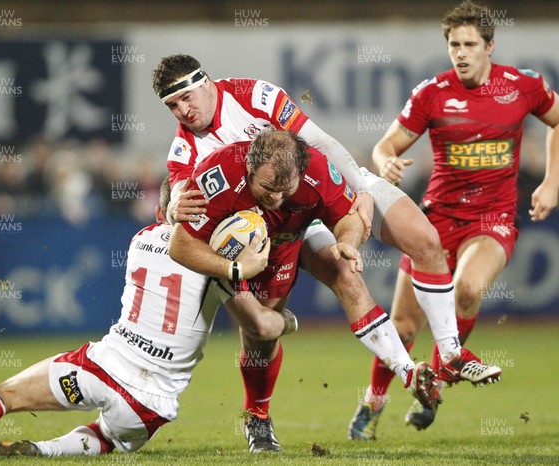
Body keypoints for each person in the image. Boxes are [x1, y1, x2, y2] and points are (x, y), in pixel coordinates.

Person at [153, 54, 500, 448]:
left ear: (206, 81)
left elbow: (319, 141)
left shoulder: (256, 97)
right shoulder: (187, 154)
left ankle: (444, 356)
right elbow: (176, 206)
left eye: (186, 97)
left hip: (311, 199)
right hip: (261, 237)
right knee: (261, 332)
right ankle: (258, 415)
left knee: (413, 244)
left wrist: (362, 195)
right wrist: (172, 208)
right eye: (172, 106)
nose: (183, 111)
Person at [0, 180, 297, 458]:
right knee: (107, 437)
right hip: (147, 406)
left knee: (5, 396)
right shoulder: (219, 265)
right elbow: (261, 327)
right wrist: (285, 318)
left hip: (100, 370)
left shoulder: (141, 239)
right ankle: (39, 450)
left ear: (159, 212)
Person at [352, 0, 559, 440]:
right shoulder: (432, 93)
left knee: (467, 289)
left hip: (493, 218)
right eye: (453, 45)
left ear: (489, 46)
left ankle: (437, 389)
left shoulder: (522, 86)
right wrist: (386, 161)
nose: (460, 53)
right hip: (436, 220)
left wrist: (551, 183)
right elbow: (386, 146)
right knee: (404, 326)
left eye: (469, 44)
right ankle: (371, 404)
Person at [169, 128, 446, 451]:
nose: (276, 199)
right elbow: (180, 245)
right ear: (249, 166)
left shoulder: (316, 170)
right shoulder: (218, 177)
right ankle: (258, 415)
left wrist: (347, 241)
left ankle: (407, 371)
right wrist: (235, 268)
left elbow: (349, 217)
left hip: (293, 236)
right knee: (261, 331)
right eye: (268, 189)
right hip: (239, 254)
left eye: (285, 191)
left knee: (347, 275)